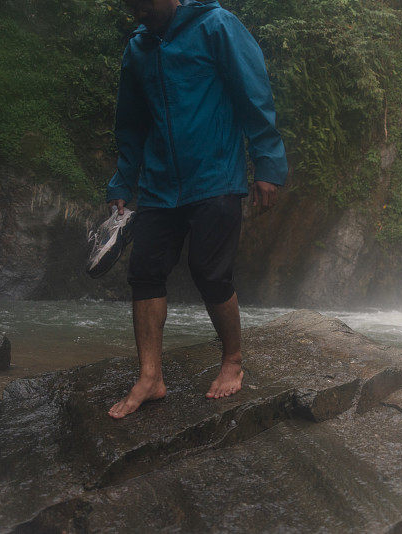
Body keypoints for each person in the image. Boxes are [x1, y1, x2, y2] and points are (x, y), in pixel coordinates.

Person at [106, 0, 288, 418]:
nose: (136, 12)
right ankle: (150, 378)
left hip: (215, 175)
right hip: (159, 183)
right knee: (145, 273)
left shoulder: (215, 25)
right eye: (130, 5)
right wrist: (122, 180)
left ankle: (233, 360)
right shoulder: (139, 47)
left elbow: (253, 92)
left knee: (209, 270)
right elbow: (130, 122)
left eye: (142, 4)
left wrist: (268, 162)